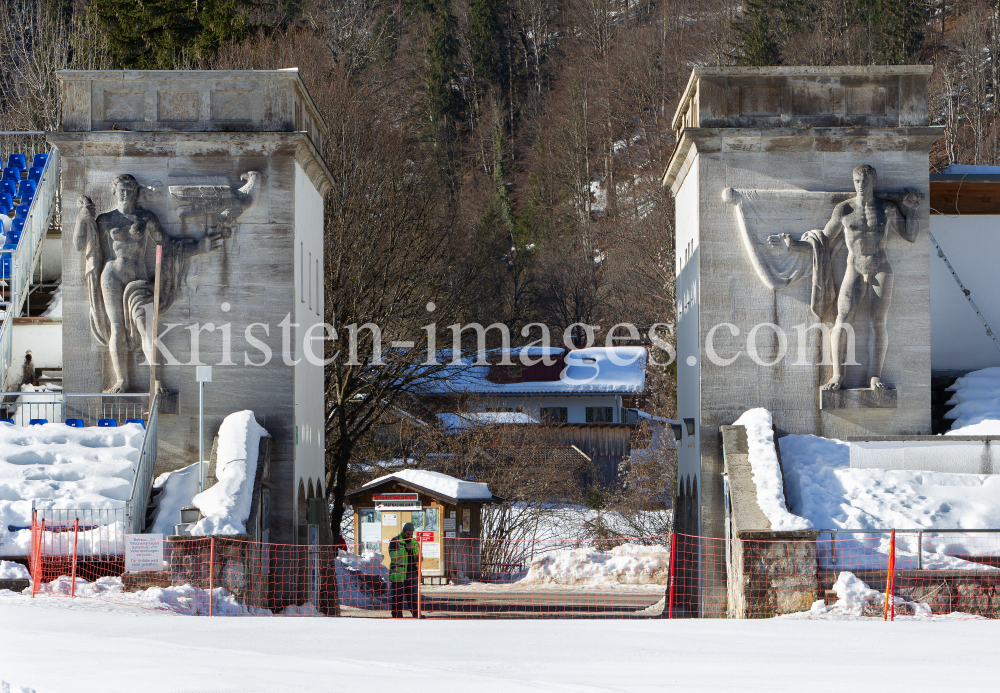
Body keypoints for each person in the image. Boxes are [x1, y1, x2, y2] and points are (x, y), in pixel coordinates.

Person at [767, 165, 920, 391]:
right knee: (842, 318)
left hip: (881, 268)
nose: (860, 185)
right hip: (854, 268)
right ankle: (837, 375)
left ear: (873, 182)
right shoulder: (845, 210)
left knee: (878, 322)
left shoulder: (886, 208)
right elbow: (824, 240)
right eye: (857, 181)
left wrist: (912, 209)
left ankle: (875, 375)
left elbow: (910, 235)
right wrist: (793, 246)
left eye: (865, 182)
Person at [74, 174, 222, 393]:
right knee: (116, 328)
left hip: (138, 280)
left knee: (147, 329)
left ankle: (157, 380)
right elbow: (80, 245)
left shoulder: (145, 218)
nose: (125, 194)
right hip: (111, 277)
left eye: (130, 190)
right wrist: (82, 217)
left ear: (136, 192)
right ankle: (121, 380)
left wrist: (198, 248)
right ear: (114, 193)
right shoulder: (106, 219)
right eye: (121, 190)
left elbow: (168, 245)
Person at [388, 522, 420, 618]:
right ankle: (397, 615)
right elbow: (393, 556)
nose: (409, 536)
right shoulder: (395, 541)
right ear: (403, 532)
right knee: (398, 597)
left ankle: (416, 614)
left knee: (414, 596)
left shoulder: (414, 542)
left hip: (412, 573)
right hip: (399, 574)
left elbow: (420, 556)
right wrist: (405, 549)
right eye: (407, 534)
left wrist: (419, 558)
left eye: (411, 534)